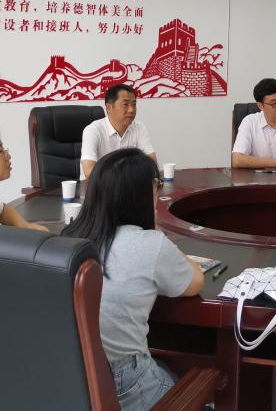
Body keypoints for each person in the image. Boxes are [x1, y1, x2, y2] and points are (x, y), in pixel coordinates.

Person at [63, 148, 204, 410]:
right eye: (156, 185)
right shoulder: (150, 244)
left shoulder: (68, 237)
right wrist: (157, 232)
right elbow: (195, 281)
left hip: (71, 380)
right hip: (125, 381)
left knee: (164, 368)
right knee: (192, 381)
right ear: (140, 196)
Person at [81, 84, 157, 179]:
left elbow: (152, 164)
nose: (131, 110)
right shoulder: (93, 130)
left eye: (134, 104)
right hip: (98, 186)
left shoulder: (139, 127)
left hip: (129, 184)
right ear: (109, 107)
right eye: (125, 104)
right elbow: (89, 172)